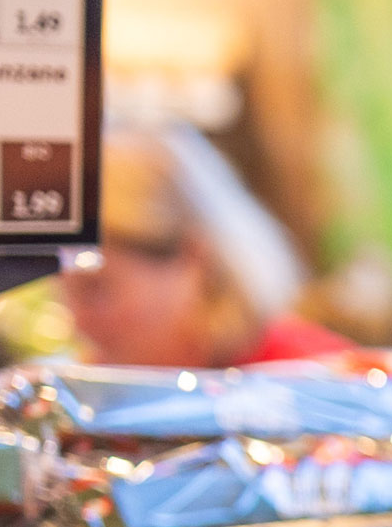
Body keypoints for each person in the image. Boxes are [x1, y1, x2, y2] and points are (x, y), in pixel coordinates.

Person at [60, 127, 354, 369]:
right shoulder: (92, 389)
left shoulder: (309, 376)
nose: (79, 323)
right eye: (65, 294)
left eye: (96, 290)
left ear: (192, 257)